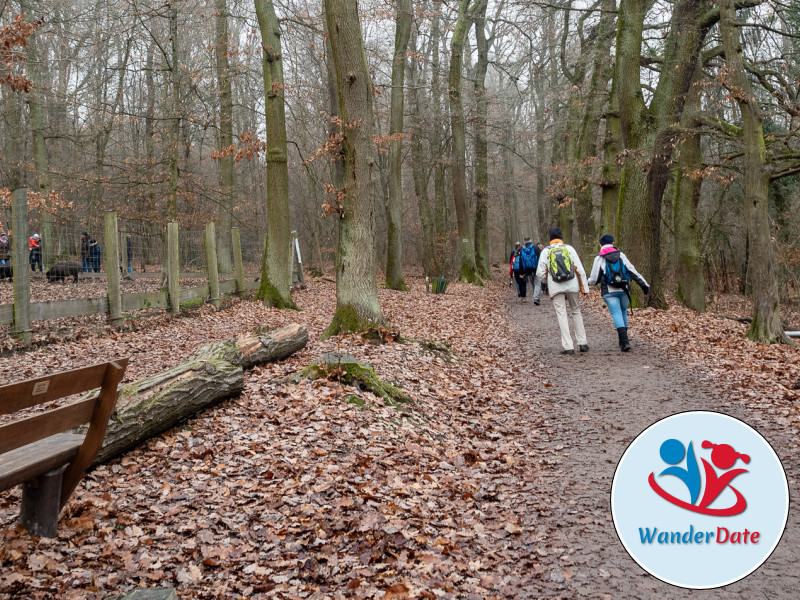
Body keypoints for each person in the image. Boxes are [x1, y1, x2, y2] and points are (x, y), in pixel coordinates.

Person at [587, 234, 649, 351]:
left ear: (600, 244)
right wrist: (644, 285)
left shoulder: (599, 258)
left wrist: (587, 283)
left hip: (609, 290)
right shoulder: (621, 255)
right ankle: (623, 341)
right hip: (624, 289)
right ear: (613, 243)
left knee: (616, 313)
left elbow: (594, 278)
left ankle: (624, 342)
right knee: (623, 312)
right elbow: (632, 271)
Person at [536, 226, 589, 354]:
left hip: (555, 286)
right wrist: (585, 289)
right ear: (561, 237)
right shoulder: (569, 248)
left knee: (562, 314)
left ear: (550, 239)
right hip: (572, 284)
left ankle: (568, 346)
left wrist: (547, 281)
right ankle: (582, 342)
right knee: (576, 311)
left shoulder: (546, 252)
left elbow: (540, 273)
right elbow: (579, 269)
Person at [520, 237, 541, 305]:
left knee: (533, 283)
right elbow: (540, 257)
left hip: (527, 269)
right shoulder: (535, 247)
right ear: (531, 241)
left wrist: (522, 272)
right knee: (537, 283)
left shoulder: (522, 249)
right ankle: (536, 298)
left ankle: (535, 296)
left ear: (525, 242)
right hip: (536, 268)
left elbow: (521, 261)